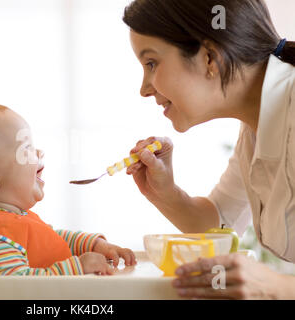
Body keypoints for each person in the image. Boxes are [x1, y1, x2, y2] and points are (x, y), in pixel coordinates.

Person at [122, 0, 295, 299]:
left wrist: (275, 286)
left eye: (151, 63)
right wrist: (164, 192)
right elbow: (218, 222)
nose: (144, 88)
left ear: (209, 58)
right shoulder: (256, 127)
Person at [0, 104, 136, 277]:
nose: (39, 152)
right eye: (26, 147)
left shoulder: (7, 223)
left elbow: (51, 239)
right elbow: (18, 289)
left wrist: (92, 245)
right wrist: (77, 268)